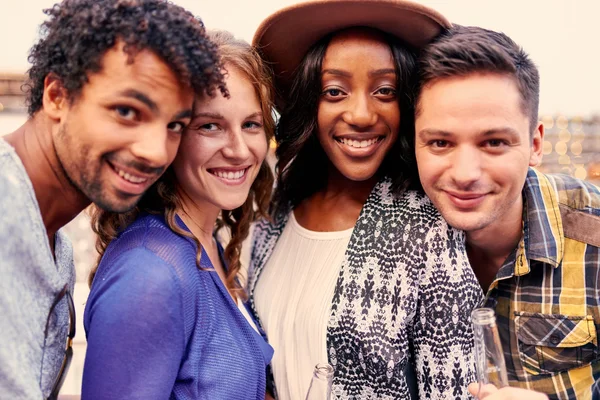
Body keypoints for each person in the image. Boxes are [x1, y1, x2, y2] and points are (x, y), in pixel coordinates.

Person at [247, 1, 483, 399]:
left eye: (384, 91)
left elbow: (453, 389)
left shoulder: (428, 227)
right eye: (334, 91)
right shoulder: (278, 208)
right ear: (310, 102)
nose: (360, 114)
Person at [0, 0, 225, 398]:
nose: (156, 151)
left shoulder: (55, 246)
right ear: (57, 95)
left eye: (175, 125)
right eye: (127, 111)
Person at [82, 30, 275, 399]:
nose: (239, 150)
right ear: (170, 136)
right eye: (210, 126)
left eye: (251, 124)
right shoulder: (150, 274)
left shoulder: (204, 241)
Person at [414, 25, 600, 399]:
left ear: (535, 144)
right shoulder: (391, 237)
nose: (465, 174)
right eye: (440, 142)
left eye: (494, 142)